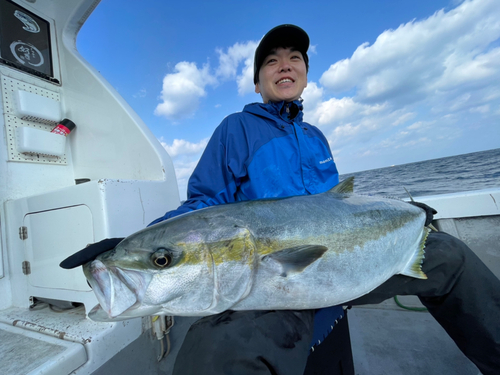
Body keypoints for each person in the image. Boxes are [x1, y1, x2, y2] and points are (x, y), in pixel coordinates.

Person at [63, 24, 500, 375]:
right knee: (218, 352)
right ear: (258, 82)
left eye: (294, 58)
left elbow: (339, 203)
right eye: (271, 61)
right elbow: (204, 203)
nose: (284, 65)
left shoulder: (315, 136)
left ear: (305, 73)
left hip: (352, 266)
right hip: (282, 284)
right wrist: (137, 242)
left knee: (451, 257)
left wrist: (410, 215)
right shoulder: (236, 128)